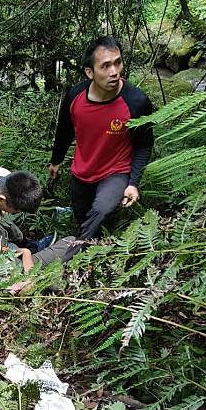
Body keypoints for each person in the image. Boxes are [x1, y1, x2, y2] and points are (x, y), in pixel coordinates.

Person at [48, 36, 154, 255]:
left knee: (101, 210)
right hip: (83, 171)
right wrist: (56, 160)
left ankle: (67, 262)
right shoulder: (75, 97)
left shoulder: (136, 101)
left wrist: (133, 182)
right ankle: (93, 254)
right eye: (105, 66)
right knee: (84, 219)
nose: (114, 71)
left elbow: (144, 144)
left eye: (118, 62)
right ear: (90, 72)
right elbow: (65, 131)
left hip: (116, 171)